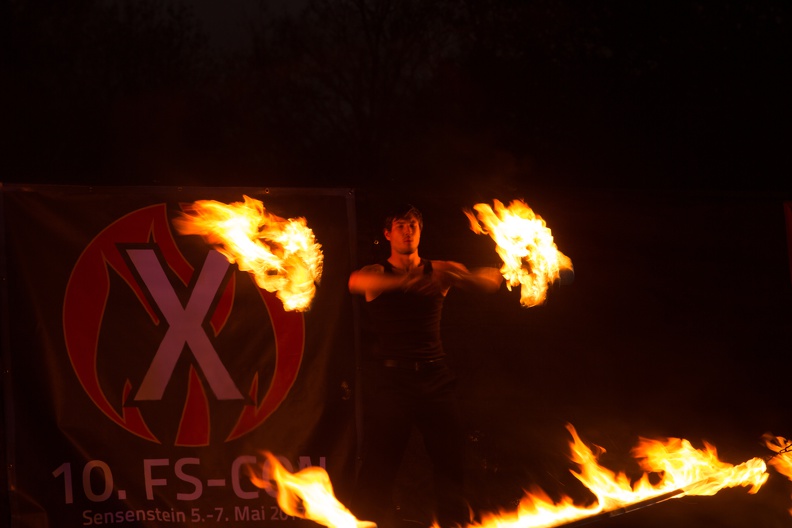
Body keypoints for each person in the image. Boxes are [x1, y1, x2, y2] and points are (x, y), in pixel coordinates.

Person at [348, 204, 502, 528]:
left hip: (436, 378)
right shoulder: (377, 272)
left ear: (420, 231)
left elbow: (490, 281)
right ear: (388, 233)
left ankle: (453, 524)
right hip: (394, 381)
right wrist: (407, 282)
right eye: (400, 225)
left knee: (450, 462)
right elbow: (356, 282)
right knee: (379, 465)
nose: (408, 231)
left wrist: (463, 277)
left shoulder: (440, 269)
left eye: (413, 225)